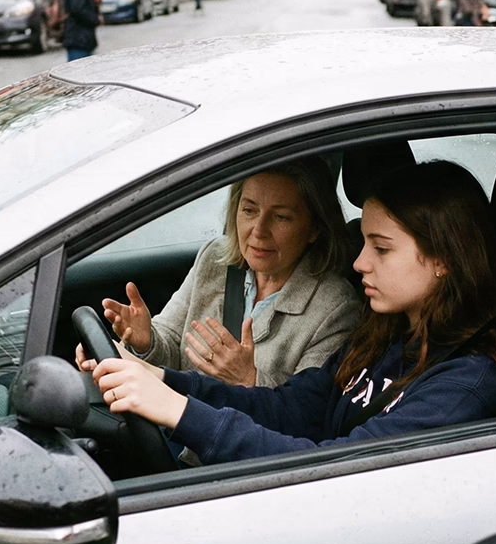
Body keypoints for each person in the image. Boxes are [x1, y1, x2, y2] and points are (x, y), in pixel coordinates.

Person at [87, 161, 496, 465]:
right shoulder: (388, 334)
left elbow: (337, 467)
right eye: (364, 242)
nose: (359, 263)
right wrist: (161, 380)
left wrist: (179, 411)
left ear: (444, 258)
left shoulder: (465, 385)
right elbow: (291, 408)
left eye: (381, 248)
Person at [94, 158, 360, 389]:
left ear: (314, 228)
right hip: (174, 429)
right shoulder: (215, 260)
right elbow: (173, 343)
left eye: (281, 217)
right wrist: (146, 341)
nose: (258, 230)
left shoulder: (335, 309)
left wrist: (250, 379)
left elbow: (307, 414)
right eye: (249, 210)